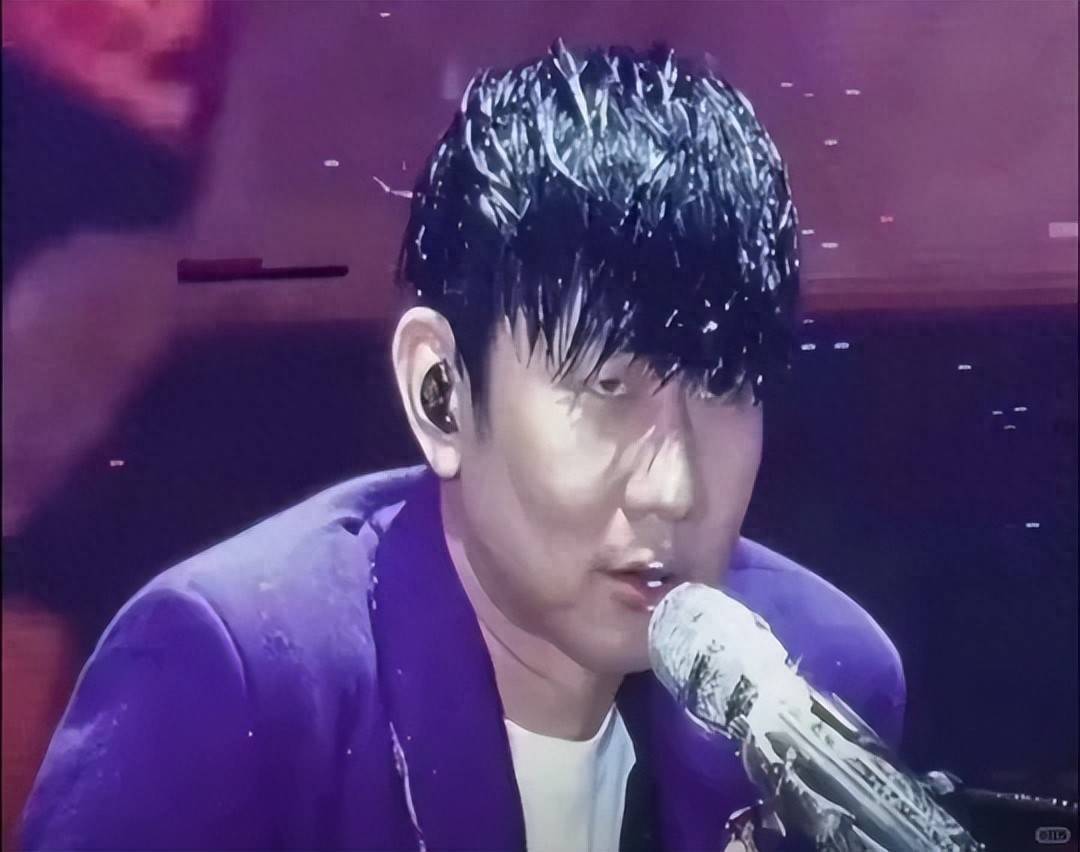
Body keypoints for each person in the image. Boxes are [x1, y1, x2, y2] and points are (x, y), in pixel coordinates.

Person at [20, 41, 905, 852]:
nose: (673, 488)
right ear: (441, 392)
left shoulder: (820, 680)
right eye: (607, 389)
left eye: (722, 386)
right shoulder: (234, 680)